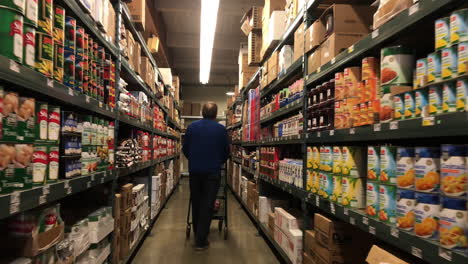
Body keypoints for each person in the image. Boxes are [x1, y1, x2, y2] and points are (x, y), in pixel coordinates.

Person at [182, 102, 229, 251]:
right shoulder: (221, 130)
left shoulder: (191, 127)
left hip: (195, 172)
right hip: (212, 173)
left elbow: (185, 149)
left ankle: (198, 234)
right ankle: (201, 241)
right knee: (208, 205)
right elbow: (226, 152)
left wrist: (195, 160)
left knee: (196, 202)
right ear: (215, 115)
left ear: (202, 113)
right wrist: (217, 162)